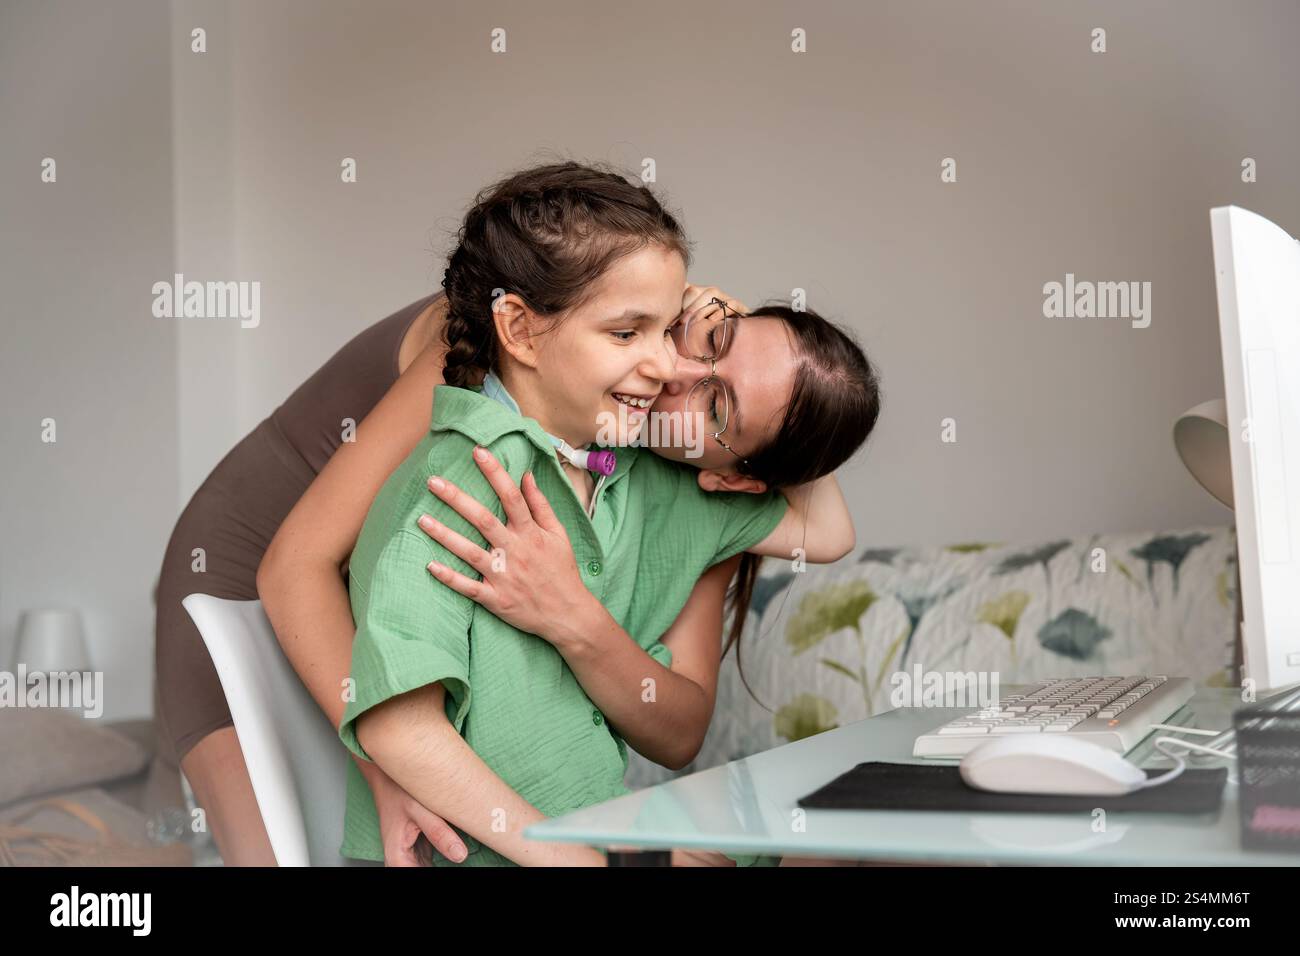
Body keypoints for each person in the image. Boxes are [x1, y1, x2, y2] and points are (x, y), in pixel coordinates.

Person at [310, 161, 880, 864]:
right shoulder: (464, 479)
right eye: (641, 332)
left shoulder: (648, 476)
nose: (671, 366)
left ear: (737, 479)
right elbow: (399, 727)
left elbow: (831, 533)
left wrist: (774, 366)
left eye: (719, 405)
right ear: (518, 331)